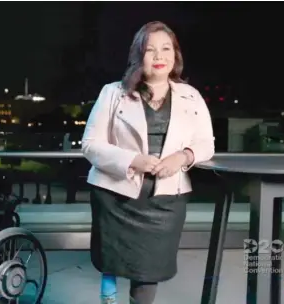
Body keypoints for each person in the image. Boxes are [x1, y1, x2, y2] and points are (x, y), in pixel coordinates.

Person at [81, 21, 215, 304]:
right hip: (115, 195)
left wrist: (183, 157)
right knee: (111, 260)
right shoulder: (112, 92)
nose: (159, 56)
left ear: (175, 55)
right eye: (150, 50)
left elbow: (206, 143)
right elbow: (90, 145)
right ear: (138, 55)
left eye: (166, 49)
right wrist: (133, 160)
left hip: (166, 199)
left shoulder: (191, 96)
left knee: (149, 270)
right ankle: (109, 293)